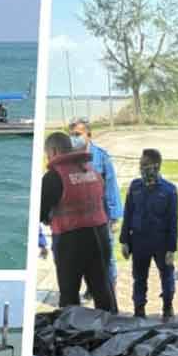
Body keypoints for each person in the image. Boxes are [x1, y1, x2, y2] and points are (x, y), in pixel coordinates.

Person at [39, 132, 117, 312]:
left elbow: (40, 211)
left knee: (69, 296)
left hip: (70, 239)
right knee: (103, 290)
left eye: (47, 153)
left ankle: (71, 327)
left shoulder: (53, 177)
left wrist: (47, 219)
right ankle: (112, 324)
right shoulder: (91, 170)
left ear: (54, 151)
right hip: (100, 236)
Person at [120, 149, 178, 321]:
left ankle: (167, 306)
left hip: (161, 242)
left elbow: (173, 220)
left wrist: (171, 249)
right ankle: (139, 309)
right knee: (139, 278)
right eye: (141, 164)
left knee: (166, 276)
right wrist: (124, 241)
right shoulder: (135, 187)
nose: (142, 168)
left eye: (145, 164)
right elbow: (128, 214)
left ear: (156, 166)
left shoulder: (169, 190)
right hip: (139, 241)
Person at [69, 117, 123, 292]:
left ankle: (110, 287)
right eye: (71, 135)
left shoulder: (101, 157)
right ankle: (91, 287)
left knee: (106, 255)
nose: (74, 138)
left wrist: (114, 217)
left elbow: (111, 186)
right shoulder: (69, 158)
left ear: (89, 135)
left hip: (101, 216)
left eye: (78, 134)